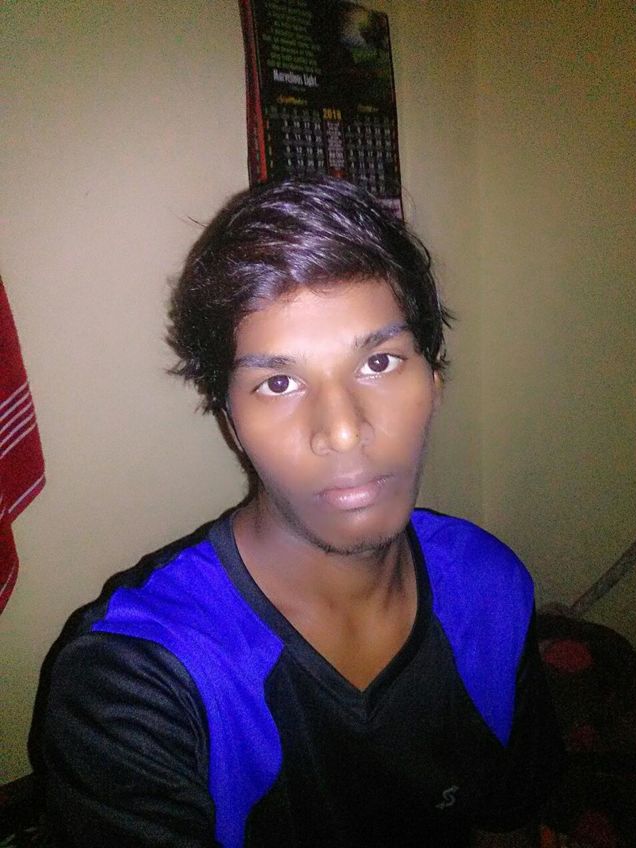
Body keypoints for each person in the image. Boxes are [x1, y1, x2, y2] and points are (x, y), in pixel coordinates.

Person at [31, 178, 564, 847]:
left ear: (434, 381)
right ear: (230, 420)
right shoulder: (131, 683)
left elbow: (511, 821)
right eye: (278, 383)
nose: (341, 430)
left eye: (379, 362)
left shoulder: (489, 583)